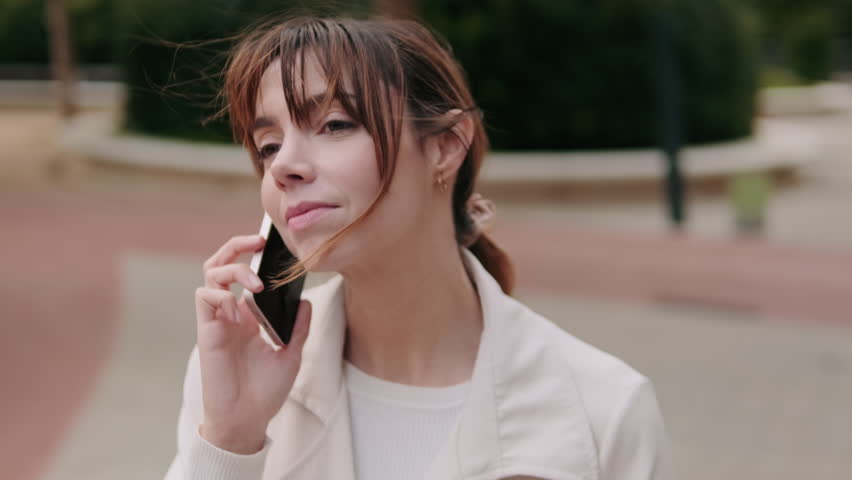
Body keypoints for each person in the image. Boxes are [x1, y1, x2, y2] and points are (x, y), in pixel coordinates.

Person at [164, 14, 674, 480]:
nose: (281, 166)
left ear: (447, 146)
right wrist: (229, 443)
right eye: (268, 145)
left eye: (334, 125)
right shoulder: (240, 372)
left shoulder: (602, 411)